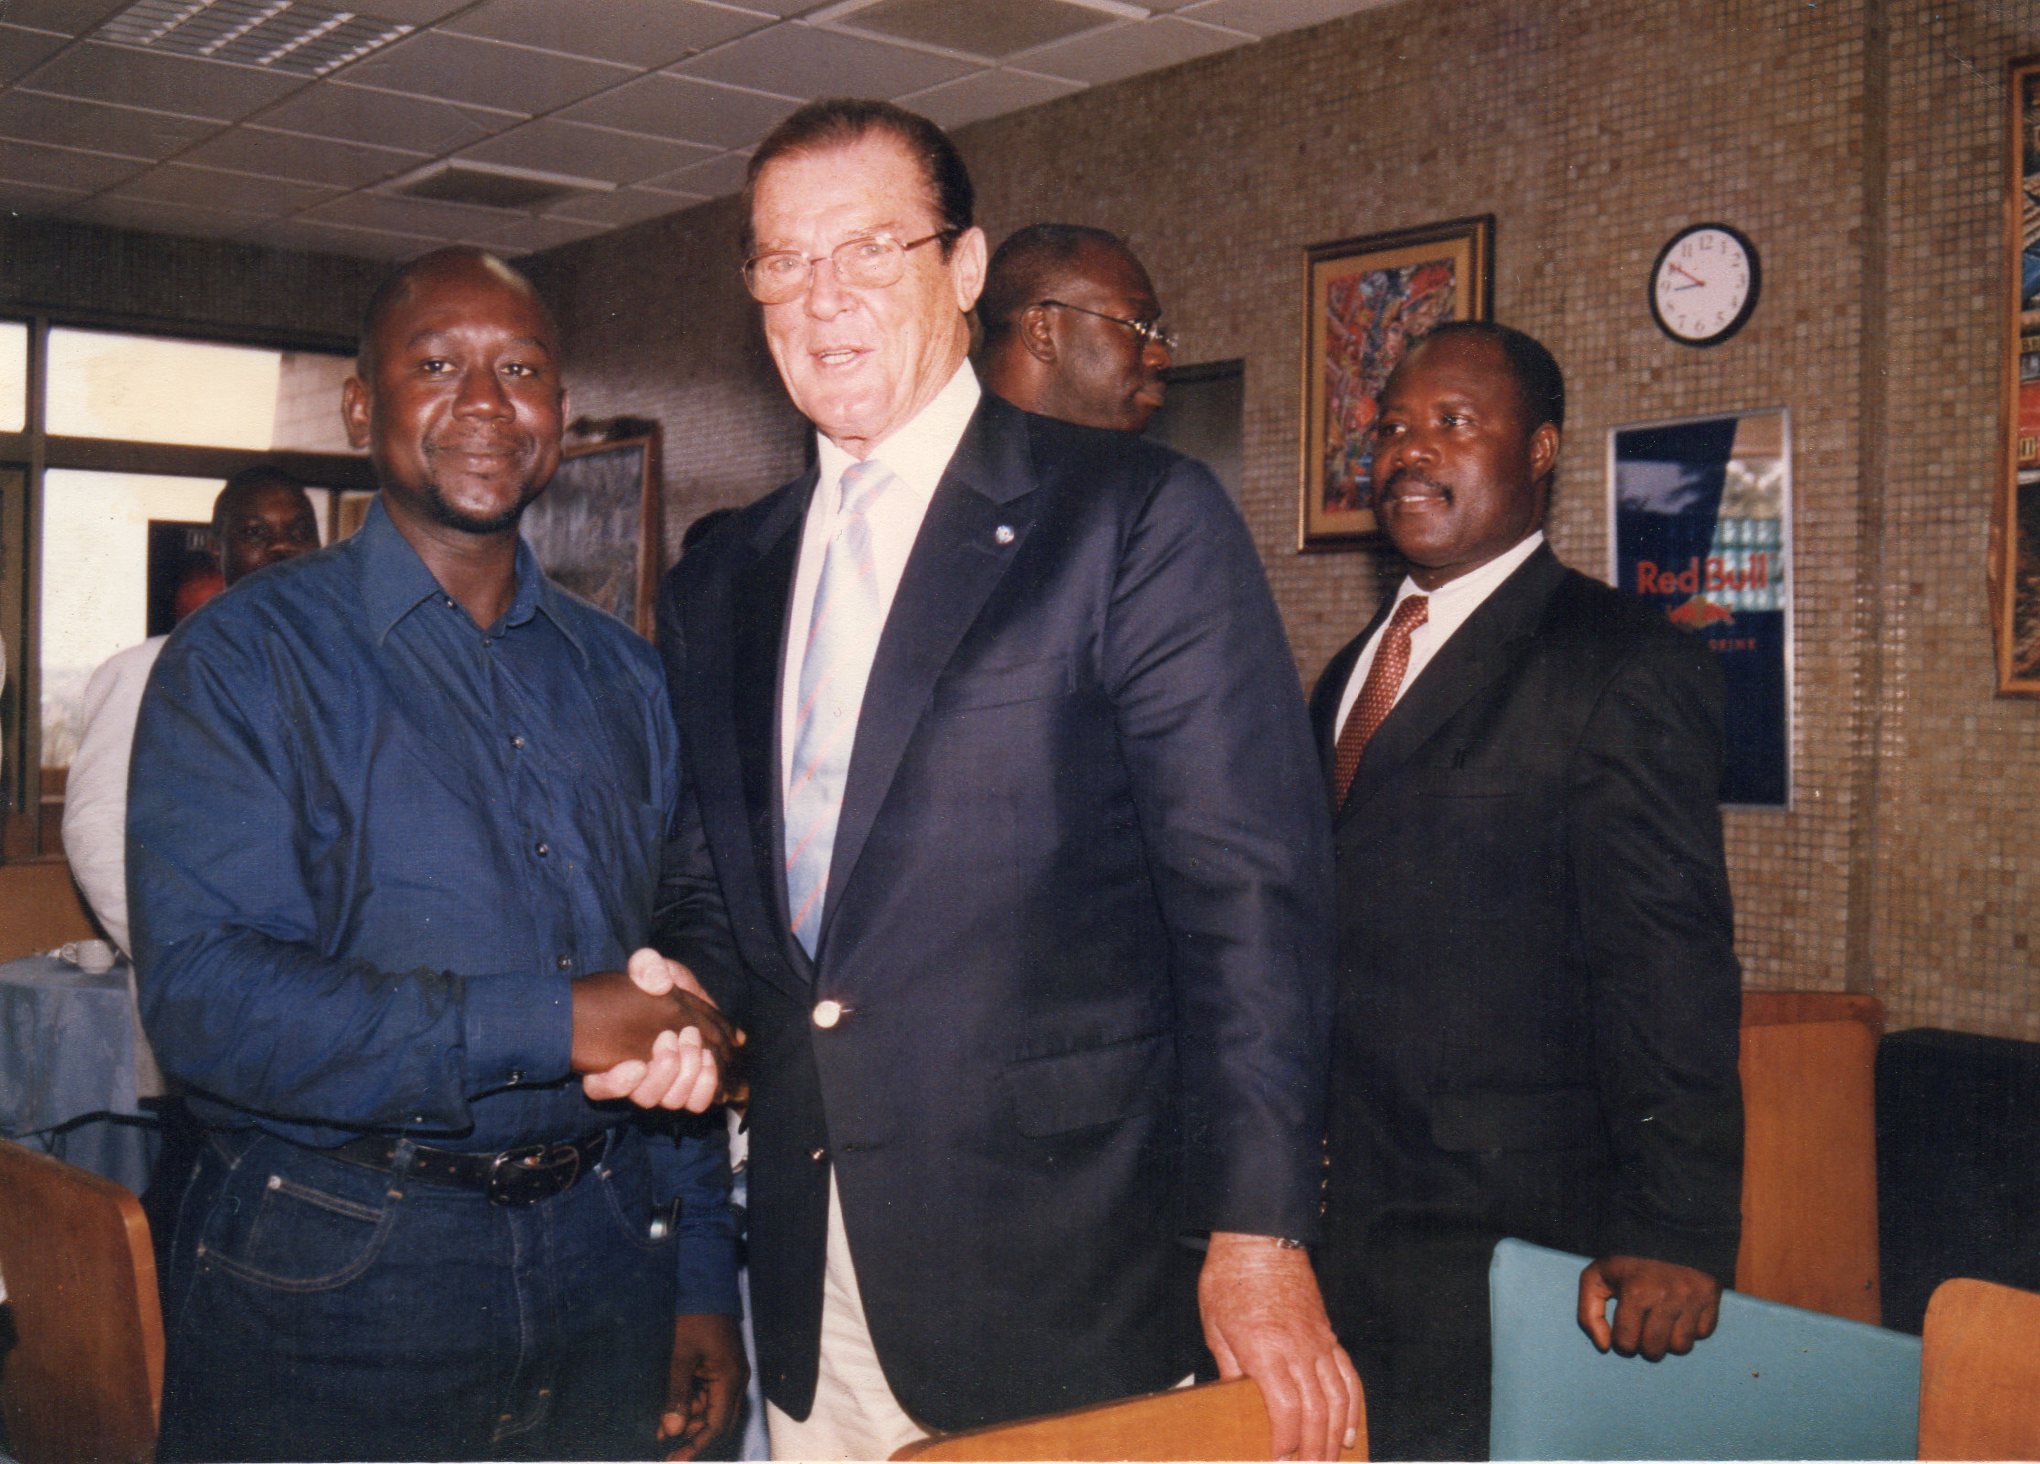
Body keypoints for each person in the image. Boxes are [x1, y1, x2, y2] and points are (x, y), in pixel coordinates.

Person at [647, 99, 1355, 1462]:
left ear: (965, 272)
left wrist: (1260, 1237)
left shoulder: (1133, 518)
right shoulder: (725, 571)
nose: (825, 298)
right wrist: (669, 990)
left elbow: (1251, 900)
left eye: (868, 249)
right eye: (784, 262)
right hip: (813, 1280)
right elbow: (720, 894)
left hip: (1065, 1279)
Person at [129, 247, 747, 1462]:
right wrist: (553, 1021)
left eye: (519, 369)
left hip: (608, 1257)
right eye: (437, 366)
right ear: (365, 408)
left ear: (559, 416)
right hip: (343, 1271)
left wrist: (700, 1282)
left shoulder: (622, 674)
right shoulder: (243, 664)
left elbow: (679, 950)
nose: (483, 403)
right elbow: (207, 1002)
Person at [1309, 321, 1744, 1461]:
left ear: (1541, 448)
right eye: (1394, 425)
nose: (1410, 450)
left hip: (1502, 1238)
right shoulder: (1348, 672)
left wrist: (1679, 1225)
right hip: (1340, 1219)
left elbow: (1671, 961)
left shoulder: (1619, 663)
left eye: (1455, 423)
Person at [64, 466, 321, 966]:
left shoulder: (343, 670)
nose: (281, 548)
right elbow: (96, 828)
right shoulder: (147, 671)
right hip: (211, 980)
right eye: (254, 533)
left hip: (335, 979)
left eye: (298, 532)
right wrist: (179, 958)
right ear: (218, 550)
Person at [977, 223, 1174, 432]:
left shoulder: (1152, 464)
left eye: (1159, 336)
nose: (1161, 358)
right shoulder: (944, 456)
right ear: (1041, 331)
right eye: (1138, 325)